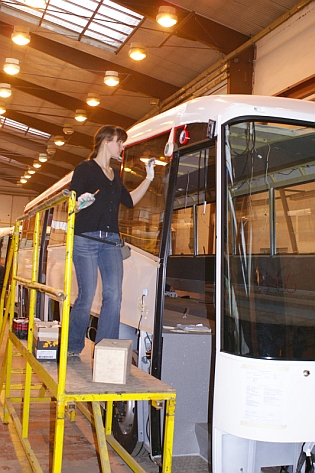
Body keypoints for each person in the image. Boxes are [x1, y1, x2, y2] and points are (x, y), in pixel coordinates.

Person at [68, 124, 154, 356]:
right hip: (85, 240)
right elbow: (71, 204)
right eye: (119, 142)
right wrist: (79, 203)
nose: (122, 147)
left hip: (111, 243)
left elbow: (130, 201)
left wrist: (148, 178)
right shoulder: (84, 169)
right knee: (86, 295)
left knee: (114, 295)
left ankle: (105, 351)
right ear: (106, 142)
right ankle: (73, 347)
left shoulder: (114, 175)